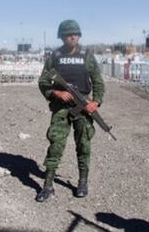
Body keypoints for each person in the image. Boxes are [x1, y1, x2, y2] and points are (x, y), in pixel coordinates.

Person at [36, 19, 105, 202]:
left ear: (79, 35)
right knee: (56, 145)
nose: (72, 37)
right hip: (61, 108)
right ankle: (48, 185)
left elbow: (98, 81)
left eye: (74, 34)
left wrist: (95, 102)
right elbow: (43, 82)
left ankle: (82, 182)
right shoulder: (55, 56)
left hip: (82, 107)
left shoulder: (87, 55)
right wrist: (56, 92)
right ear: (62, 37)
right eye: (68, 34)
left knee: (83, 145)